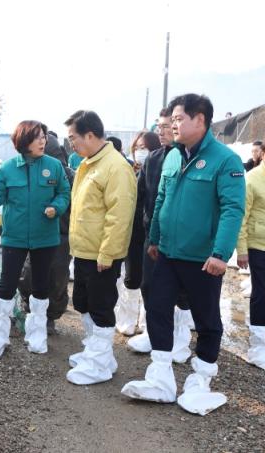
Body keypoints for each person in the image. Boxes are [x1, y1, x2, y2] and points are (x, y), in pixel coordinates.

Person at [122, 94, 246, 416]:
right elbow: (161, 198)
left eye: (179, 119)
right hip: (167, 253)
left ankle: (201, 381)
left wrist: (221, 253)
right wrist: (155, 239)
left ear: (200, 120)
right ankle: (161, 378)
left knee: (207, 321)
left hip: (203, 258)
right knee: (159, 309)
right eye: (172, 119)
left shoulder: (225, 160)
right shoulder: (173, 157)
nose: (172, 124)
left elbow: (233, 210)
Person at [0, 121, 71, 356]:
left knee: (41, 286)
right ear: (24, 140)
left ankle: (37, 334)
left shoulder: (54, 166)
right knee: (7, 285)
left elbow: (64, 193)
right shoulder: (8, 168)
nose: (44, 141)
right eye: (38, 137)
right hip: (15, 238)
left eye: (44, 137)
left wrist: (56, 207)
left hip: (45, 237)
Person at [63, 110, 137, 385]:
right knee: (83, 302)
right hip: (84, 250)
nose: (71, 143)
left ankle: (99, 364)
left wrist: (108, 252)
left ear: (90, 135)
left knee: (101, 306)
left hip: (101, 254)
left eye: (73, 138)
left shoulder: (115, 166)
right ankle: (98, 354)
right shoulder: (89, 163)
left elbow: (119, 215)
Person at [127, 109, 194, 362]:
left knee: (182, 290)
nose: (163, 131)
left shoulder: (190, 157)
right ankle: (154, 332)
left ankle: (181, 335)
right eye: (160, 127)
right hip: (152, 234)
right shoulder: (154, 159)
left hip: (183, 238)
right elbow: (141, 196)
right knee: (148, 284)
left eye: (167, 126)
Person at [19, 132, 74, 333]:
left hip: (61, 234)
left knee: (57, 276)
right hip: (34, 233)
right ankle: (30, 309)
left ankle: (50, 317)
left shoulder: (68, 174)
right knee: (29, 274)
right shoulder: (27, 169)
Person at [112, 131, 160, 337]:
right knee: (131, 277)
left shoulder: (158, 168)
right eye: (137, 148)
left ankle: (148, 324)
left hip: (151, 231)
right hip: (131, 231)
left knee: (151, 281)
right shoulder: (127, 170)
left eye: (145, 148)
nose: (140, 152)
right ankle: (127, 321)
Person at [237, 156, 265, 370]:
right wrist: (242, 249)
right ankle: (258, 346)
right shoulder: (253, 179)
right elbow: (241, 216)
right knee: (262, 293)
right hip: (259, 245)